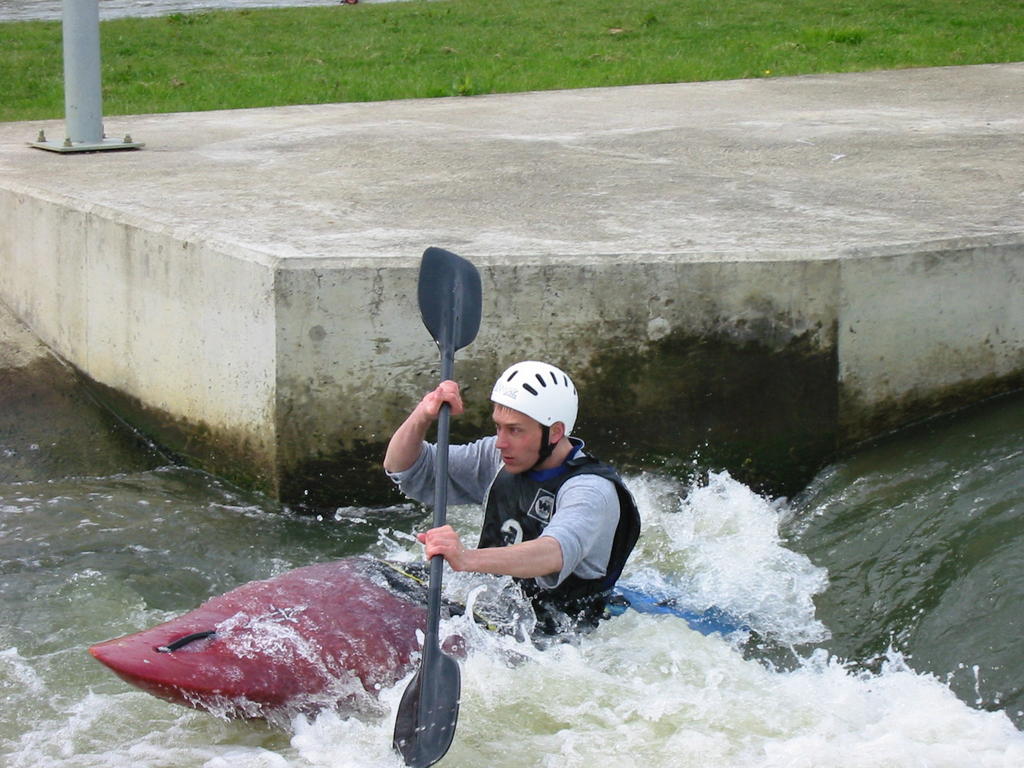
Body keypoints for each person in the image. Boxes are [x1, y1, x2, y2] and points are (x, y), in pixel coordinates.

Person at [384, 360, 640, 633]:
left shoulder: (590, 491)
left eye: (515, 430)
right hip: (498, 604)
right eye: (499, 427)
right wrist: (423, 414)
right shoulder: (499, 458)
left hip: (556, 633)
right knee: (380, 577)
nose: (500, 442)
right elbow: (405, 469)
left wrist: (466, 558)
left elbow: (554, 552)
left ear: (555, 432)